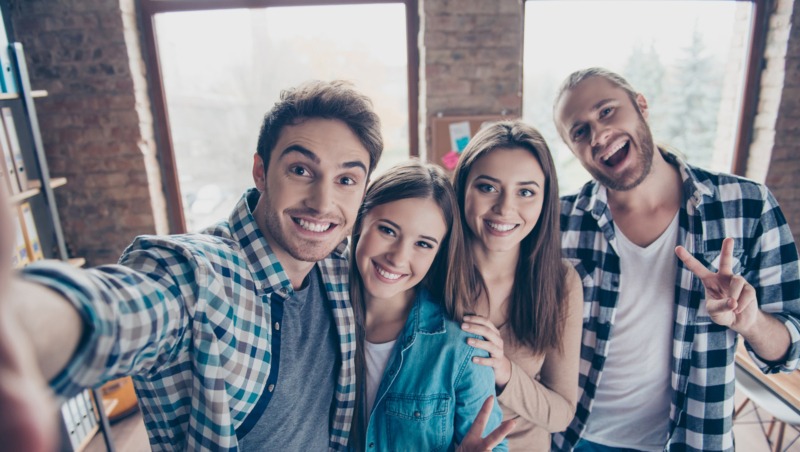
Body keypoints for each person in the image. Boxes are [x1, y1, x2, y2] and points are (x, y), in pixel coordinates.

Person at [0, 80, 384, 451]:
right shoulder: (196, 276)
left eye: (346, 179)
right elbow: (118, 310)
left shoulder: (341, 265)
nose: (322, 202)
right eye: (300, 170)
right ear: (261, 172)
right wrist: (18, 320)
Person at [551, 67, 800, 452]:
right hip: (573, 437)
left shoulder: (748, 204)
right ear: (573, 151)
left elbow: (789, 351)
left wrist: (751, 322)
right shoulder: (558, 222)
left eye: (606, 111)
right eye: (580, 132)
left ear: (641, 105)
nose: (598, 135)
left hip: (691, 440)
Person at [348, 159, 511, 451]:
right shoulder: (319, 311)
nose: (398, 258)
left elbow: (492, 445)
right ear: (360, 219)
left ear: (439, 253)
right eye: (387, 230)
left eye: (423, 244)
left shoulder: (462, 346)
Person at [451, 120, 584, 451]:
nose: (505, 208)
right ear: (462, 187)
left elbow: (562, 413)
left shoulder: (561, 282)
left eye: (525, 192)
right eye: (488, 187)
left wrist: (505, 370)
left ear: (545, 199)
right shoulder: (430, 269)